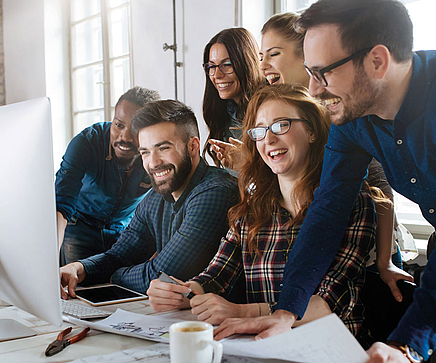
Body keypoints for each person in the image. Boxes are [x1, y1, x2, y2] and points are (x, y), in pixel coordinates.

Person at [214, 1, 436, 362]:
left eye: (323, 73)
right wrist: (288, 310)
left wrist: (407, 344)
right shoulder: (352, 117)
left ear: (377, 60)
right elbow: (327, 211)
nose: (313, 90)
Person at [147, 84, 379, 345]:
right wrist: (183, 292)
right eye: (260, 131)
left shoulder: (354, 203)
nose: (268, 139)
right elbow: (216, 275)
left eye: (281, 125)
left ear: (312, 131)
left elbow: (331, 301)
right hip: (264, 348)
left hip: (334, 350)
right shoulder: (251, 210)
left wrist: (242, 312)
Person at [59, 99, 239, 298]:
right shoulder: (157, 196)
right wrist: (78, 269)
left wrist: (113, 277)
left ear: (193, 147)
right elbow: (120, 255)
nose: (153, 163)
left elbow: (161, 276)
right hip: (176, 318)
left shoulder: (216, 192)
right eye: (145, 152)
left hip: (222, 322)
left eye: (163, 148)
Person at [56, 86, 160, 265]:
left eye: (135, 128)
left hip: (124, 230)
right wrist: (50, 260)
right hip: (79, 227)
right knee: (78, 289)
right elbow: (61, 205)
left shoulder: (157, 152)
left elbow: (172, 200)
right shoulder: (86, 142)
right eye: (119, 125)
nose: (124, 137)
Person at [201, 27, 266, 168]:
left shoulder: (269, 111)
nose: (217, 75)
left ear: (248, 63)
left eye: (227, 65)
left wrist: (250, 165)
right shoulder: (224, 111)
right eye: (212, 67)